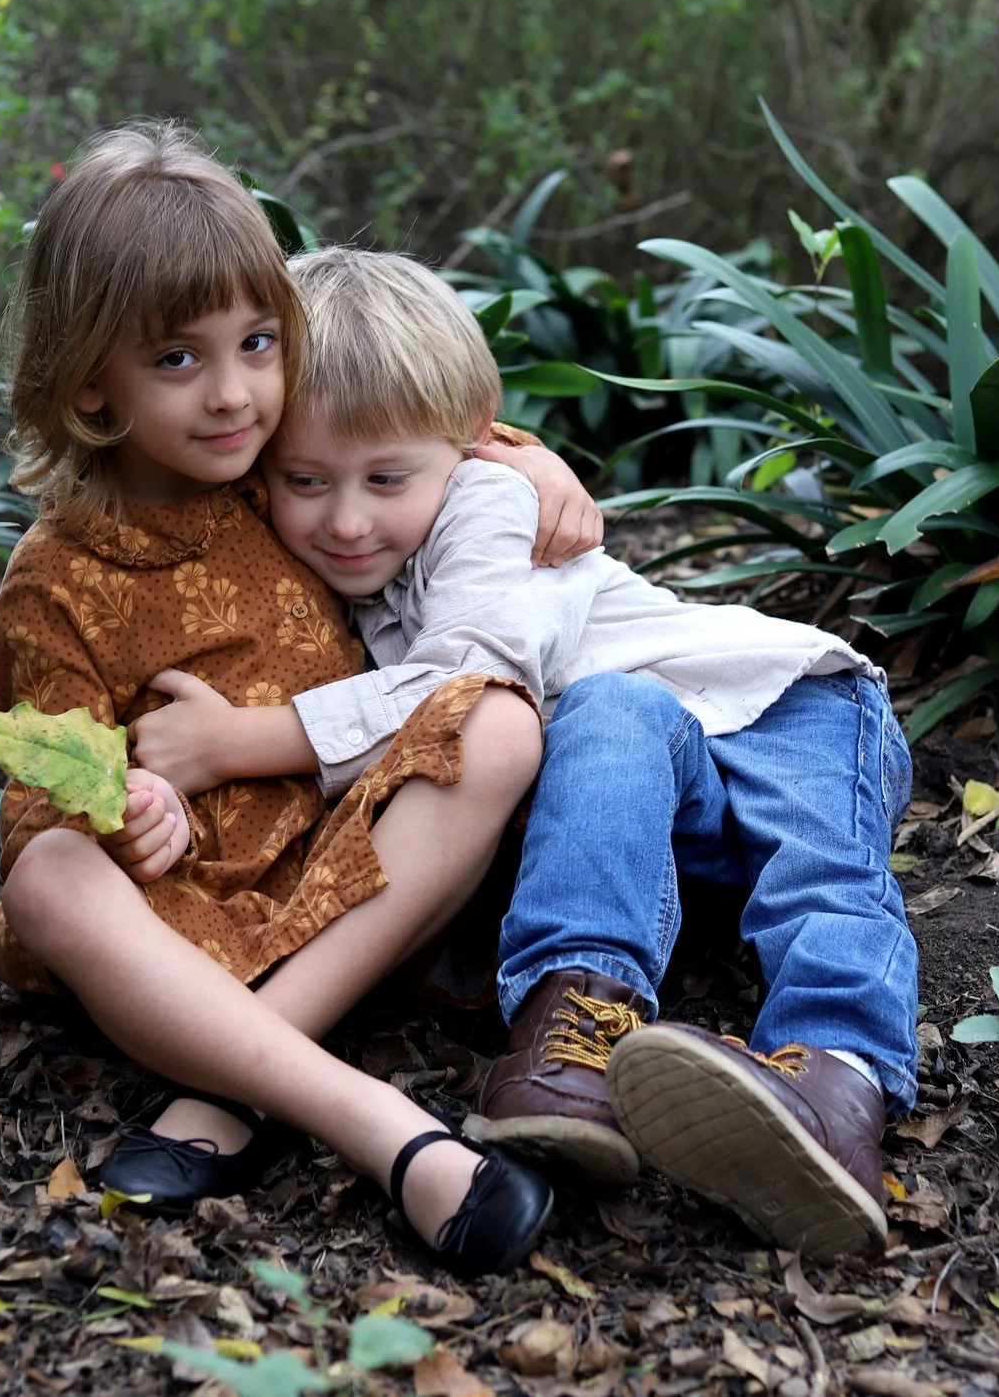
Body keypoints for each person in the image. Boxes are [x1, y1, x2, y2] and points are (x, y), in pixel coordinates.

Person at [133, 246, 918, 1260]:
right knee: (604, 720)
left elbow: (461, 684)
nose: (347, 518)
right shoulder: (333, 534)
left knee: (813, 869)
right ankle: (576, 1029)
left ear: (467, 441)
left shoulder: (486, 503)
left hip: (779, 703)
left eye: (385, 478)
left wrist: (242, 741)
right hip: (640, 769)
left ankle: (838, 1083)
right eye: (306, 480)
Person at [0, 124, 600, 1276]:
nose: (233, 393)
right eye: (178, 358)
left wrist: (521, 456)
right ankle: (382, 1127)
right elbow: (49, 774)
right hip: (181, 917)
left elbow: (405, 426)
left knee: (494, 722)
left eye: (258, 342)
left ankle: (232, 1081)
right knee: (48, 873)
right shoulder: (56, 582)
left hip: (356, 865)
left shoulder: (282, 469)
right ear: (89, 378)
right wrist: (124, 810)